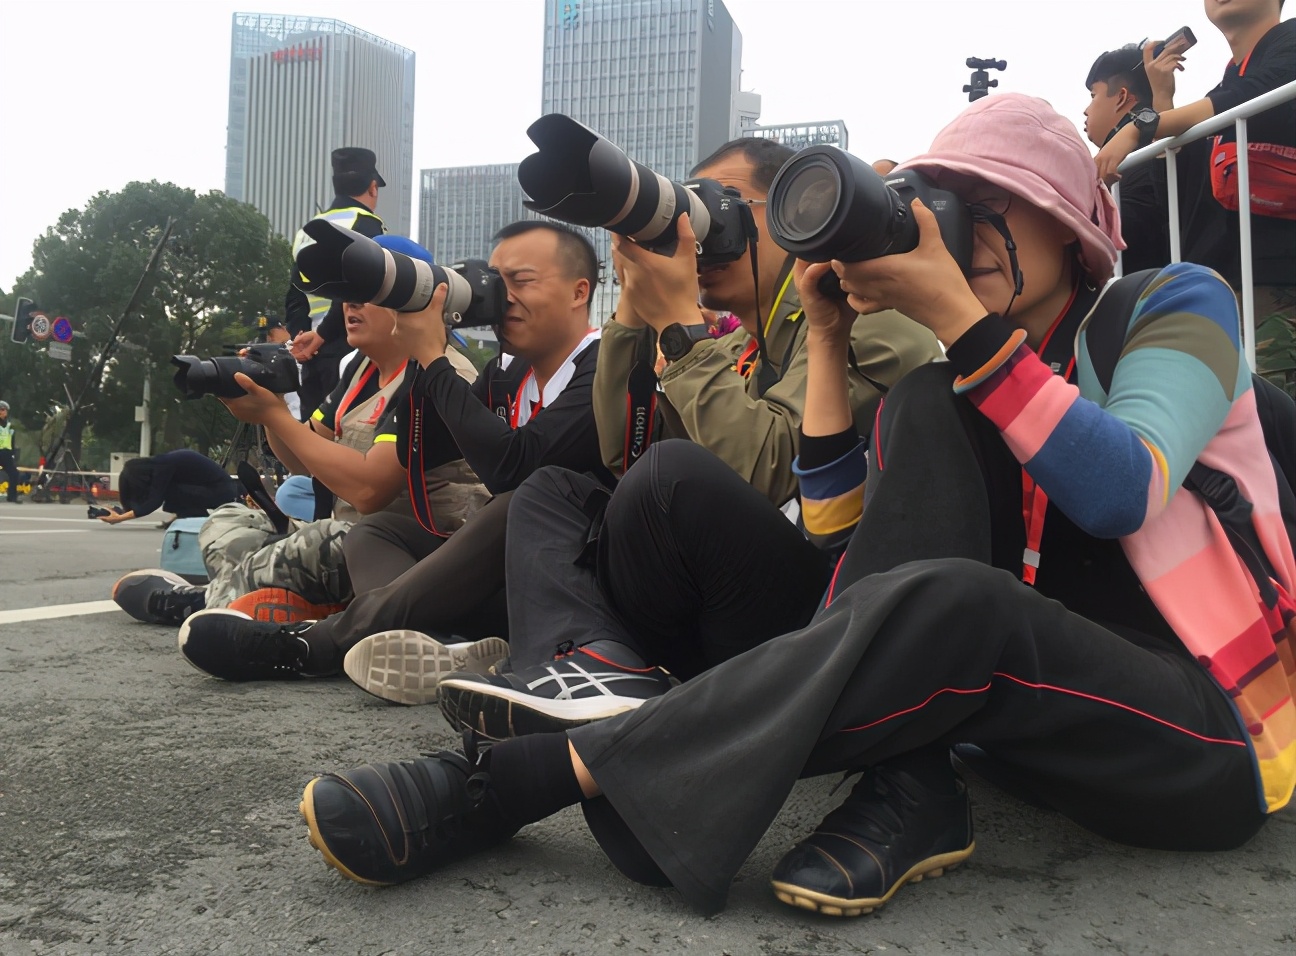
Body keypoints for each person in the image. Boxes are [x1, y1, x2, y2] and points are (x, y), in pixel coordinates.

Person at [297, 93, 1295, 924]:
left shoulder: (1173, 301)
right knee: (922, 417)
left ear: (1070, 218)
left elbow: (1124, 489)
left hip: (1205, 734)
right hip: (1005, 725)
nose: (968, 228)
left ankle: (508, 785)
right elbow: (836, 536)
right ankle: (914, 782)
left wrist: (954, 313)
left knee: (962, 594)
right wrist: (825, 334)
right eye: (952, 204)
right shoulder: (957, 378)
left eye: (998, 202)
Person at [176, 222, 614, 687]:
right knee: (376, 531)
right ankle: (430, 645)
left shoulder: (606, 366)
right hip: (495, 584)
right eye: (496, 282)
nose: (502, 298)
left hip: (574, 584)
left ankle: (314, 644)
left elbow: (514, 466)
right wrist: (276, 408)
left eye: (521, 281)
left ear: (578, 291)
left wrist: (434, 359)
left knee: (522, 500)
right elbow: (419, 447)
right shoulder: (506, 375)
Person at [113, 236, 485, 631]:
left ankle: (201, 603)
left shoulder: (442, 374)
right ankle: (300, 604)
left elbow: (369, 490)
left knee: (321, 540)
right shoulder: (361, 370)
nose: (350, 304)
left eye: (368, 291)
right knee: (227, 521)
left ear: (416, 297)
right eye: (346, 293)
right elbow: (300, 460)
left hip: (408, 554)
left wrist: (277, 417)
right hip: (352, 540)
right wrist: (272, 403)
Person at [591, 136, 939, 504]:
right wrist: (633, 303)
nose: (702, 237)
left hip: (869, 538)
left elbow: (769, 472)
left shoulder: (863, 315)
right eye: (695, 215)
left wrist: (680, 329)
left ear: (793, 214)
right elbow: (633, 457)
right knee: (561, 491)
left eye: (724, 207)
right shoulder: (739, 348)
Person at [1095, 0, 1295, 327]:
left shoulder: (1285, 49)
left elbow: (1260, 90)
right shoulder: (1224, 92)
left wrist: (1142, 126)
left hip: (1277, 293)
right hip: (1216, 298)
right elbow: (1178, 200)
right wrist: (1162, 97)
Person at [286, 147, 386, 420]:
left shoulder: (308, 229)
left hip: (311, 353)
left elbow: (295, 295)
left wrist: (300, 338)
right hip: (349, 347)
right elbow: (355, 286)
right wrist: (322, 335)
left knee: (311, 434)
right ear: (373, 187)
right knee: (348, 433)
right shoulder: (367, 224)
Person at [1083, 43, 1172, 272]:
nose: (1086, 110)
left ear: (1121, 97)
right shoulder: (1161, 151)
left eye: (1093, 95)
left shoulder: (1141, 160)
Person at [98, 449, 240, 525]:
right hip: (219, 489)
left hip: (222, 492)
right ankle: (183, 517)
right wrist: (121, 510)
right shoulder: (162, 463)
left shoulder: (163, 468)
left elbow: (154, 501)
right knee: (171, 490)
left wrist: (120, 518)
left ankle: (193, 518)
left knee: (169, 491)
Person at [0, 401, 20, 503]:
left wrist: (13, 453)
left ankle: (12, 497)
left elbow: (12, 440)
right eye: (2, 410)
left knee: (14, 474)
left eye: (5, 410)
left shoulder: (9, 425)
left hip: (6, 454)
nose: (4, 412)